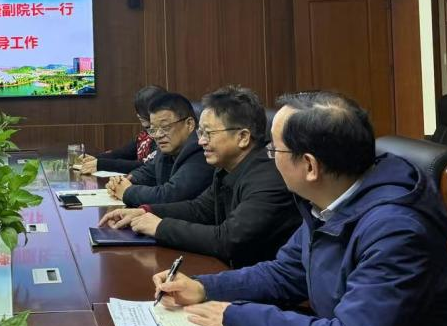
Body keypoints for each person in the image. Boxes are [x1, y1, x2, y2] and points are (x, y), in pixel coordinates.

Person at [152, 92, 447, 326]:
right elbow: (285, 273)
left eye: (275, 150)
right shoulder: (331, 202)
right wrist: (205, 287)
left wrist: (235, 317)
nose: (268, 157)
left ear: (310, 166)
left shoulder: (396, 231)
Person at [99, 86, 299, 266]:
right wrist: (145, 211)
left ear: (243, 137)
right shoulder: (226, 167)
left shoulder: (268, 177)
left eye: (208, 134)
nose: (201, 141)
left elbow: (228, 240)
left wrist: (160, 227)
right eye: (200, 133)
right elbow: (199, 209)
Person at [106, 92, 209, 206]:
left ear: (189, 124)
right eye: (153, 129)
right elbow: (147, 172)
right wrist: (123, 182)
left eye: (165, 127)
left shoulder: (201, 150)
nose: (158, 135)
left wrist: (127, 192)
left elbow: (169, 196)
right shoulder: (167, 148)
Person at [78, 84, 165, 175]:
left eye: (141, 111)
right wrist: (95, 159)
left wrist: (101, 164)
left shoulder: (162, 136)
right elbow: (121, 153)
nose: (138, 115)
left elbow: (147, 166)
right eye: (137, 111)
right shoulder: (145, 135)